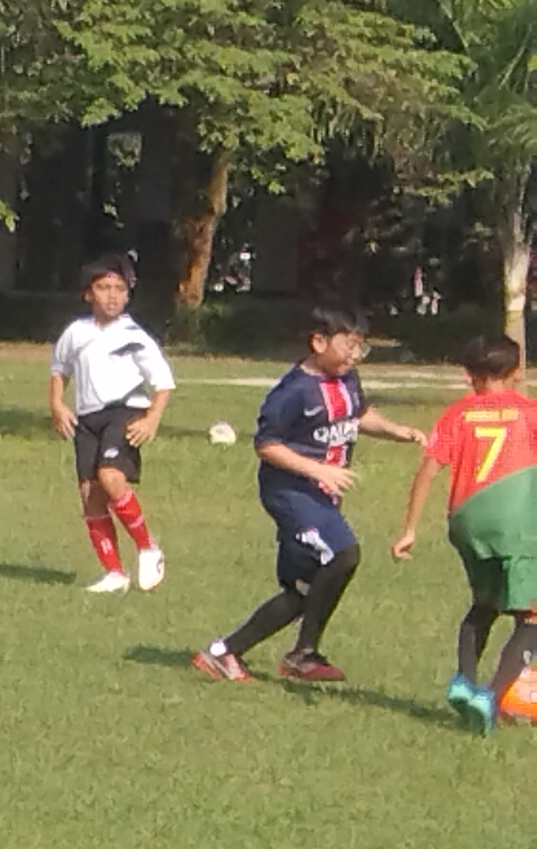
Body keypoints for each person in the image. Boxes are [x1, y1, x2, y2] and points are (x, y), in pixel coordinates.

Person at [198, 305, 418, 687]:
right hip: (292, 493)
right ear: (318, 342)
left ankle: (223, 653)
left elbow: (358, 415)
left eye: (360, 347)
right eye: (348, 346)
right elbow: (267, 445)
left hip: (322, 497)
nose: (354, 355)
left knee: (303, 589)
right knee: (344, 553)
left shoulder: (347, 380)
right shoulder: (293, 391)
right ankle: (303, 653)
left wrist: (397, 431)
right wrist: (318, 470)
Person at [393, 332, 537, 729]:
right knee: (532, 614)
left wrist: (409, 529)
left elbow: (428, 470)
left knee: (484, 605)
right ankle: (493, 697)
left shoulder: (457, 415)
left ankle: (464, 681)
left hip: (465, 520)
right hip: (513, 523)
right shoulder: (529, 413)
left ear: (467, 373)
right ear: (516, 371)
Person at [48, 256, 176, 594]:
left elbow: (163, 382)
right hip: (87, 418)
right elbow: (59, 370)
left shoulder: (134, 335)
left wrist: (151, 419)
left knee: (110, 476)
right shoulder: (75, 332)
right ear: (88, 294)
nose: (112, 295)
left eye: (119, 288)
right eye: (104, 288)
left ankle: (148, 547)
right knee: (90, 494)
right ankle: (114, 573)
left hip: (124, 410)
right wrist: (57, 404)